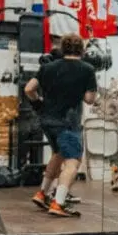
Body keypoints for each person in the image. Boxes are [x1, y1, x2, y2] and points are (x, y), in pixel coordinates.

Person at [25, 34, 98, 217]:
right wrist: (79, 90)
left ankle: (42, 193)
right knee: (72, 162)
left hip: (47, 121)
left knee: (57, 155)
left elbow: (28, 89)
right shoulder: (87, 69)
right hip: (68, 122)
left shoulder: (47, 68)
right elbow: (89, 99)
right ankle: (58, 203)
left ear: (63, 49)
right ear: (81, 49)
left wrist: (39, 104)